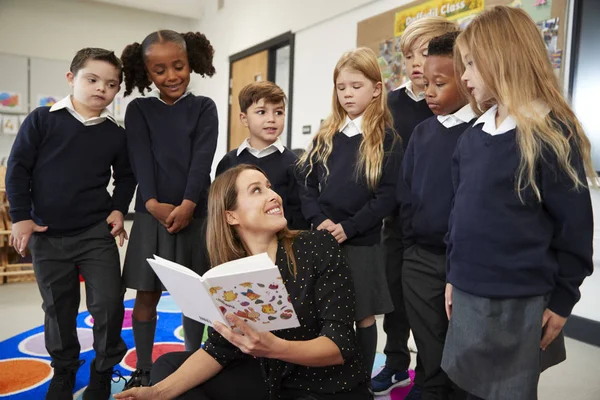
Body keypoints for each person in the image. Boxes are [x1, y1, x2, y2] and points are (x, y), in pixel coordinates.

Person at [114, 164, 371, 400]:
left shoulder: (318, 245)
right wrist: (158, 392)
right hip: (268, 378)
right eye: (257, 190)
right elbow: (220, 348)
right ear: (230, 217)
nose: (273, 195)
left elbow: (340, 345)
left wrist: (276, 348)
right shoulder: (230, 273)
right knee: (167, 367)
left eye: (269, 186)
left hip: (325, 387)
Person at [442, 6, 595, 400]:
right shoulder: (471, 136)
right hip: (467, 290)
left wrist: (562, 301)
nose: (464, 75)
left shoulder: (549, 134)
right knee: (464, 387)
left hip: (518, 301)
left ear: (504, 58)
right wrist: (453, 277)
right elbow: (460, 217)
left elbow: (575, 232)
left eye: (472, 64)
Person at [6, 47, 135, 399]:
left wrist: (119, 209)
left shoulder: (115, 133)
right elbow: (17, 171)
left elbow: (125, 177)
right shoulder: (42, 120)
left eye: (110, 84)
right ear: (71, 78)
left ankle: (103, 371)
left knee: (108, 303)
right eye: (91, 79)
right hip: (46, 235)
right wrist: (20, 218)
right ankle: (64, 370)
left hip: (96, 232)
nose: (100, 89)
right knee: (58, 306)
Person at [120, 29, 218, 388]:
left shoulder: (204, 108)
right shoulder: (139, 109)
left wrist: (189, 204)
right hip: (151, 217)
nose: (171, 76)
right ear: (147, 73)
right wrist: (151, 203)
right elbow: (140, 160)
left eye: (179, 66)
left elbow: (202, 161)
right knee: (146, 294)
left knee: (197, 297)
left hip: (196, 216)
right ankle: (143, 368)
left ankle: (195, 363)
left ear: (192, 62)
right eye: (160, 70)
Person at [297, 47, 402, 375]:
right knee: (322, 309)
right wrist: (319, 220)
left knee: (362, 314)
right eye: (341, 87)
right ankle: (326, 376)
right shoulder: (325, 136)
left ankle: (362, 382)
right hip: (322, 238)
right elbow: (307, 186)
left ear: (376, 88)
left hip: (361, 242)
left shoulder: (386, 140)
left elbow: (386, 197)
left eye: (356, 86)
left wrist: (349, 228)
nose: (347, 94)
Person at [374, 17, 459, 396]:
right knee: (397, 295)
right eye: (409, 54)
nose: (415, 62)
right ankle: (395, 362)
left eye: (424, 52)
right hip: (400, 219)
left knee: (436, 314)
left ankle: (430, 372)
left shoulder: (455, 108)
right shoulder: (392, 104)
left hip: (441, 229)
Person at [400, 31, 473, 400]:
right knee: (428, 342)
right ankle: (428, 387)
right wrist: (411, 247)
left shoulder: (478, 132)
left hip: (462, 261)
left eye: (439, 84)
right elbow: (407, 194)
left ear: (466, 78)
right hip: (421, 259)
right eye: (425, 83)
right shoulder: (422, 133)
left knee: (460, 351)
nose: (428, 92)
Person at [215, 81, 309, 230]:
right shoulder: (228, 162)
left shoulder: (295, 164)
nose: (271, 119)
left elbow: (299, 216)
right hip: (238, 246)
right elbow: (219, 210)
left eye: (278, 112)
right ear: (244, 119)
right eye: (261, 112)